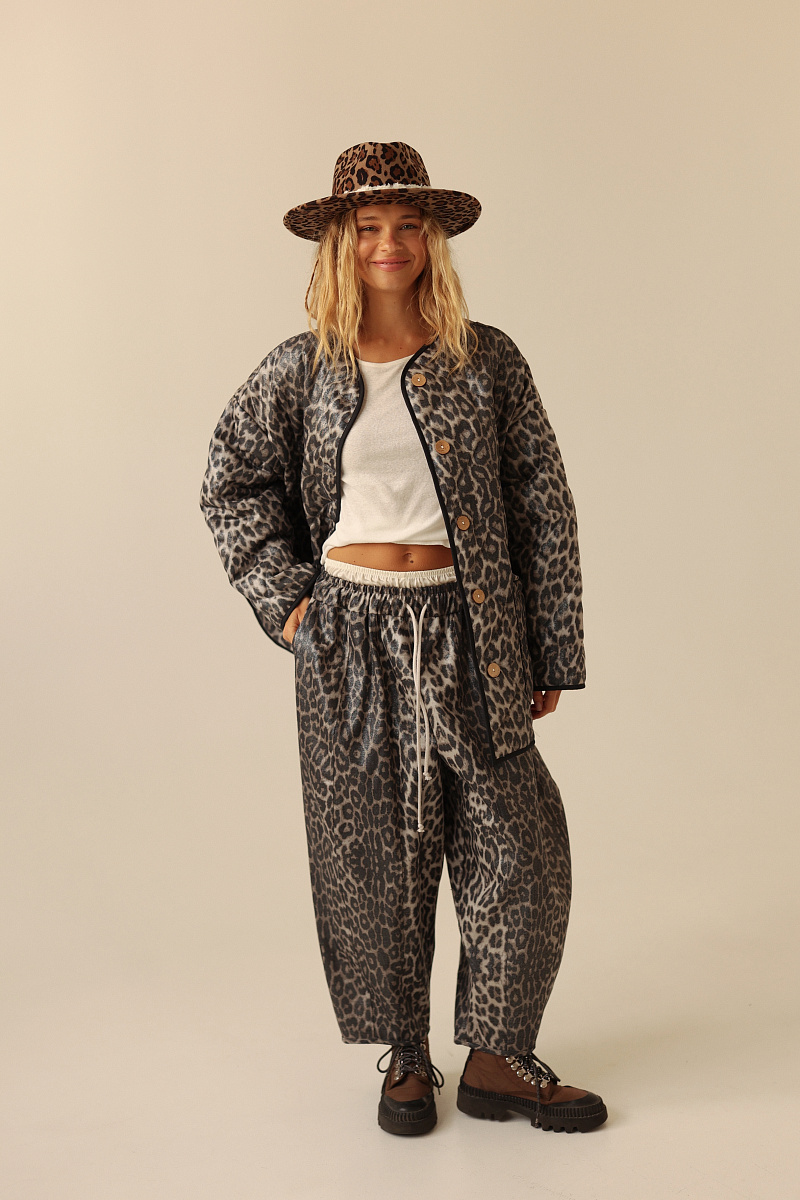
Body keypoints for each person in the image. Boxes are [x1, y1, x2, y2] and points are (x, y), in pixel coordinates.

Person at [199, 141, 607, 1137]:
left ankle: (497, 1058)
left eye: (408, 225)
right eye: (369, 226)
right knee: (374, 853)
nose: (390, 243)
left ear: (433, 239)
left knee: (519, 845)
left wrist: (549, 646)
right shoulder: (301, 367)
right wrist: (291, 607)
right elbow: (231, 482)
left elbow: (540, 503)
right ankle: (406, 1057)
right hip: (348, 634)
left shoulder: (485, 359)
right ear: (340, 242)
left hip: (474, 631)